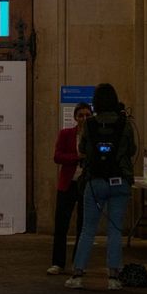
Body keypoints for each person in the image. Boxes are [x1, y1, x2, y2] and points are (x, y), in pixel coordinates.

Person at [66, 83, 136, 290]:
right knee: (115, 229)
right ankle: (113, 277)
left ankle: (77, 275)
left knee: (88, 228)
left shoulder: (90, 124)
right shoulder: (125, 124)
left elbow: (82, 148)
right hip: (119, 180)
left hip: (95, 181)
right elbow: (132, 150)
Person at [48, 102, 90, 274]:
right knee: (61, 225)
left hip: (86, 184)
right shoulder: (66, 134)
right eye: (81, 115)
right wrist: (76, 157)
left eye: (88, 115)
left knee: (83, 225)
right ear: (75, 117)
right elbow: (57, 156)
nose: (84, 118)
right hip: (67, 184)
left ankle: (78, 263)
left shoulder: (94, 136)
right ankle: (58, 263)